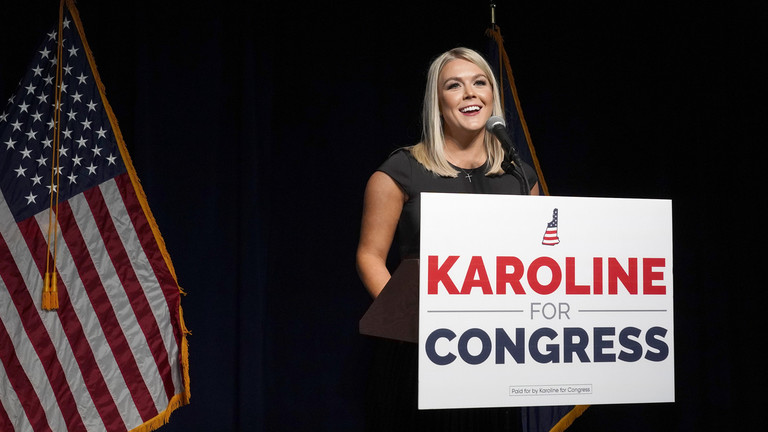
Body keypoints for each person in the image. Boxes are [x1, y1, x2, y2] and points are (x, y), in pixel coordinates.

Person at [356, 47, 539, 431]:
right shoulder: (401, 171)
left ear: (493, 97)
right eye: (454, 86)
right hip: (420, 351)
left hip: (496, 353)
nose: (470, 93)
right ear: (438, 104)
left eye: (480, 83)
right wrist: (411, 323)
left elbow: (538, 261)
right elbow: (370, 257)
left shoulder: (519, 177)